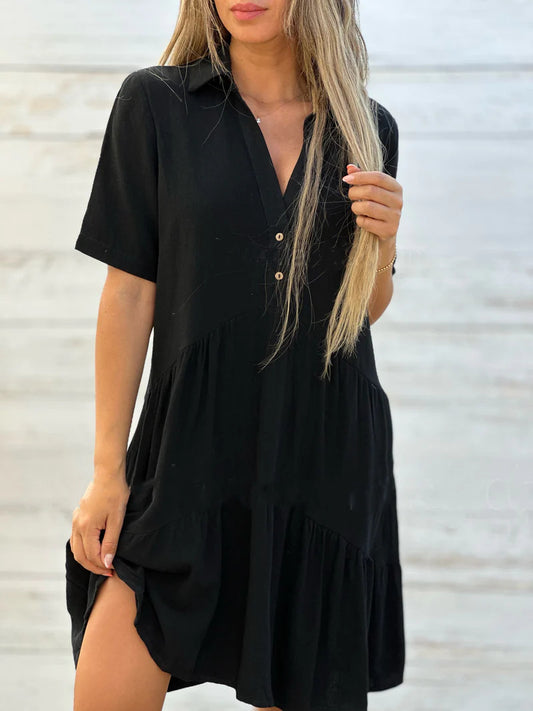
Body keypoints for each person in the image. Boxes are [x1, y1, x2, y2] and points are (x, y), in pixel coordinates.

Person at [65, 1, 405, 710]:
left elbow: (356, 315)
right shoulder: (155, 105)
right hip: (186, 459)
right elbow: (128, 295)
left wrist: (385, 240)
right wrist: (107, 472)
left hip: (320, 467)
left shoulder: (365, 129)